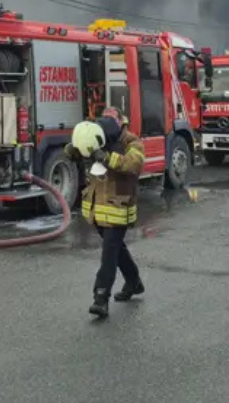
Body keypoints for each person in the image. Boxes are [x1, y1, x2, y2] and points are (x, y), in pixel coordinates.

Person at [66, 107, 145, 318]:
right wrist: (76, 151)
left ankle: (101, 298)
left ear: (121, 121)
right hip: (97, 209)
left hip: (118, 207)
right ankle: (134, 281)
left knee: (109, 253)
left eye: (112, 119)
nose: (107, 122)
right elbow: (85, 159)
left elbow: (133, 165)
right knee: (117, 249)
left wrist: (107, 158)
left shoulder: (132, 141)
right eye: (105, 118)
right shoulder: (97, 138)